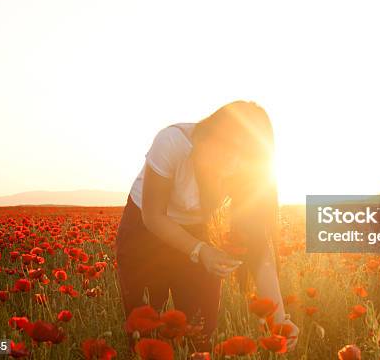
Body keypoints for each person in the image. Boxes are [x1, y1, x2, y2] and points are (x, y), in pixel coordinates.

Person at [115, 100, 299, 352]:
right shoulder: (172, 142)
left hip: (197, 231)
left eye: (243, 156)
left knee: (200, 333)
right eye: (228, 146)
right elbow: (153, 215)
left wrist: (280, 318)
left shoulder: (245, 174)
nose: (231, 162)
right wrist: (200, 250)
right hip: (145, 232)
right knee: (145, 330)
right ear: (210, 132)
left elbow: (258, 245)